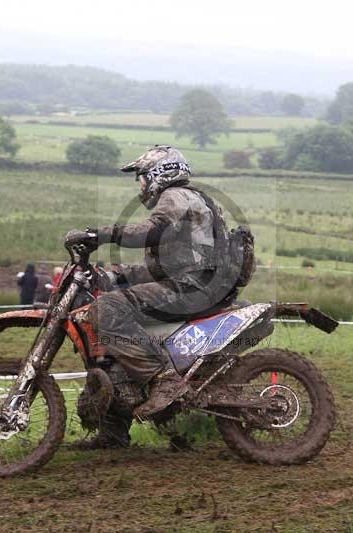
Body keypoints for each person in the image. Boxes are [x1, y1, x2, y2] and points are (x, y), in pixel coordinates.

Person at [64, 145, 234, 448]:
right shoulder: (186, 200)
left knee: (107, 309)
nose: (140, 184)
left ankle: (165, 380)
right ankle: (113, 431)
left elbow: (150, 232)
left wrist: (97, 235)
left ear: (160, 173)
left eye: (142, 177)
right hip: (191, 283)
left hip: (193, 288)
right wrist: (116, 275)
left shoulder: (176, 197)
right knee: (113, 334)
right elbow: (163, 267)